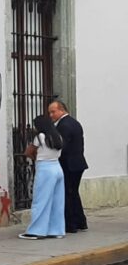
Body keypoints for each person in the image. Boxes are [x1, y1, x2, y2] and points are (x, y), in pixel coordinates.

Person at [20, 114, 65, 239]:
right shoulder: (58, 136)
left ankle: (36, 231)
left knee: (41, 200)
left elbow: (28, 152)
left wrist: (37, 158)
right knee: (58, 201)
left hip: (45, 168)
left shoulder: (40, 137)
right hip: (57, 167)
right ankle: (56, 230)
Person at [48, 100, 88, 234]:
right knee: (73, 193)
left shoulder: (64, 125)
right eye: (50, 112)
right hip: (78, 163)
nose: (51, 115)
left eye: (53, 112)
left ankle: (71, 224)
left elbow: (61, 146)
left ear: (62, 110)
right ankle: (80, 221)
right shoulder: (74, 122)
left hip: (69, 164)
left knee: (67, 194)